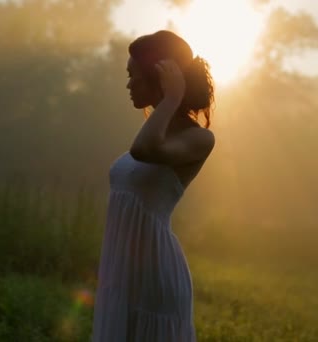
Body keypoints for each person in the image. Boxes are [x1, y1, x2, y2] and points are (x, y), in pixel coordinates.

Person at [91, 30, 215, 342]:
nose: (129, 84)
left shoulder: (198, 138)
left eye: (135, 76)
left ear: (160, 77)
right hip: (121, 275)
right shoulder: (154, 131)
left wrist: (172, 98)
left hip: (155, 276)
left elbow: (143, 151)